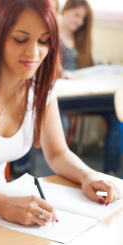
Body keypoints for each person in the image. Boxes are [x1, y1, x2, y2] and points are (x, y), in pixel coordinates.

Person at [0, 0, 122, 227]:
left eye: (44, 41)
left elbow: (57, 153)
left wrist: (88, 176)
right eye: (20, 39)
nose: (33, 53)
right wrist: (2, 204)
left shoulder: (40, 86)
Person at [59, 0, 121, 176]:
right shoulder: (52, 34)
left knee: (115, 114)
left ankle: (111, 171)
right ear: (66, 10)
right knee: (115, 101)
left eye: (83, 18)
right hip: (62, 96)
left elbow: (86, 70)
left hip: (81, 94)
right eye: (76, 15)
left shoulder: (80, 39)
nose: (79, 21)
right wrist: (62, 72)